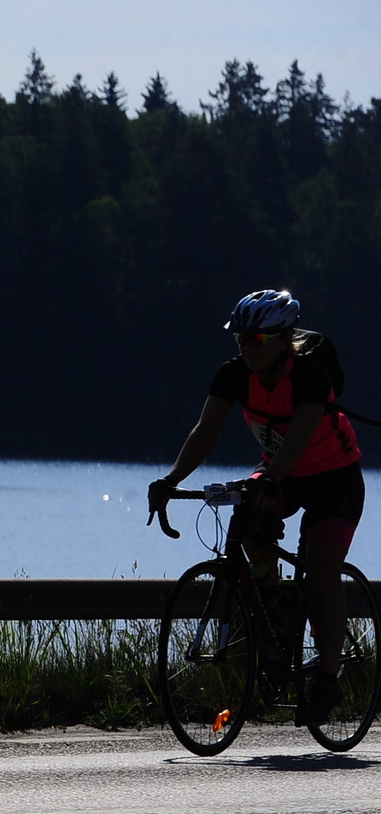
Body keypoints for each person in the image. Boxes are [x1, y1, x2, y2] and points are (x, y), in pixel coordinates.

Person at [149, 288, 363, 723]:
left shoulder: (309, 376)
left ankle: (327, 680)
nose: (247, 348)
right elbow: (205, 432)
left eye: (258, 340)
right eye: (241, 339)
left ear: (283, 340)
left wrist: (271, 478)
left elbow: (299, 436)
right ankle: (275, 606)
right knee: (246, 517)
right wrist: (170, 480)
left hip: (333, 477)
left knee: (321, 566)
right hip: (280, 471)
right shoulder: (233, 375)